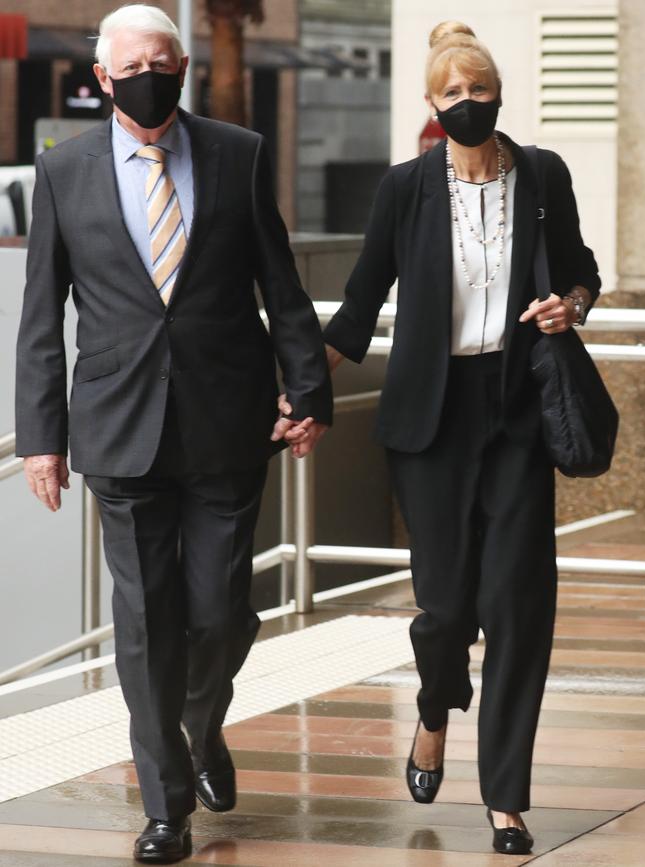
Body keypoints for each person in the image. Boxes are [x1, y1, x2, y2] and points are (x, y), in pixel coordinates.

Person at [15, 4, 331, 863]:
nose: (153, 76)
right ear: (104, 77)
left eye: (167, 62)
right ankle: (166, 803)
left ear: (184, 66)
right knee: (148, 618)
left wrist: (308, 390)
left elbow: (281, 283)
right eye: (135, 65)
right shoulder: (65, 172)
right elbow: (41, 318)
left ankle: (201, 724)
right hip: (117, 430)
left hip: (229, 421)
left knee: (224, 611)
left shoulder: (237, 153)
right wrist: (40, 438)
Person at [323, 21, 599, 857]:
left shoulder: (543, 175)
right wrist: (300, 389)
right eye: (454, 96)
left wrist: (571, 307)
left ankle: (506, 796)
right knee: (444, 610)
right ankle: (436, 709)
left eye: (480, 92)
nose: (469, 105)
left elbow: (580, 265)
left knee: (519, 605)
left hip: (517, 409)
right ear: (432, 106)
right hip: (430, 419)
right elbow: (364, 297)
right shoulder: (405, 188)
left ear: (500, 95)